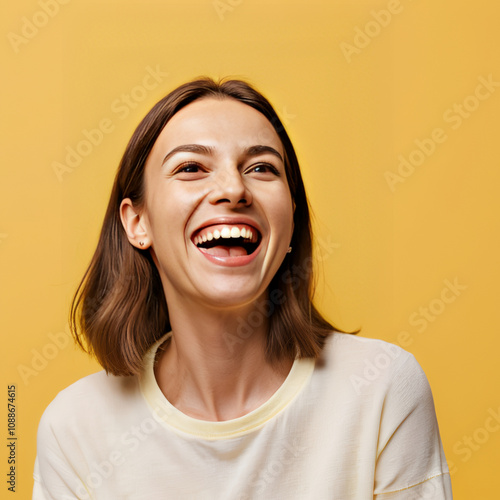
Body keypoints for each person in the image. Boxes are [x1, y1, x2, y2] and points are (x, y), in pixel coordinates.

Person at [33, 78, 453, 499]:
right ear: (137, 223)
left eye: (261, 168)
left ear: (290, 219)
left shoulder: (381, 388)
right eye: (191, 168)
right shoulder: (74, 428)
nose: (234, 189)